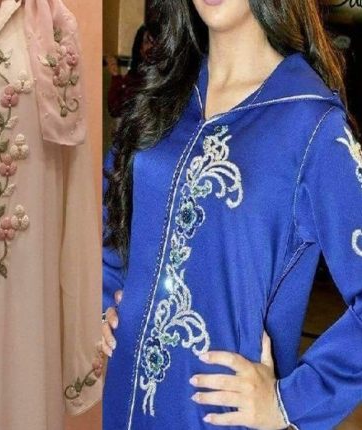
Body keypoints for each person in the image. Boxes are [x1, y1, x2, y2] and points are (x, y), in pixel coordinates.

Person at [101, 0, 362, 429]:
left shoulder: (310, 124)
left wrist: (286, 403)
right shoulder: (164, 92)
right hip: (124, 401)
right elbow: (115, 204)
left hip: (216, 416)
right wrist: (106, 298)